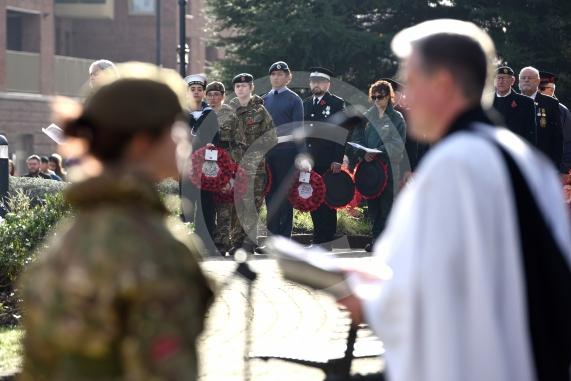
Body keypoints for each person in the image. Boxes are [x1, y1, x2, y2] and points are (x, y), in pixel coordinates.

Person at [338, 19, 571, 381]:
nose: (406, 97)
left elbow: (420, 292)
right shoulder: (527, 162)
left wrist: (363, 297)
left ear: (443, 83)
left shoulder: (453, 164)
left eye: (411, 81)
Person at [19, 63, 214, 380]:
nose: (184, 140)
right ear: (140, 143)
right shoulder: (155, 247)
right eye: (174, 128)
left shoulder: (71, 235)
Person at [350, 80, 406, 252]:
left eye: (380, 97)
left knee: (387, 207)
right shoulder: (366, 117)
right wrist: (363, 153)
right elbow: (356, 138)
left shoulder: (397, 118)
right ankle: (376, 240)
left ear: (389, 97)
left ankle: (387, 243)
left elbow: (398, 144)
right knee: (373, 208)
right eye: (373, 97)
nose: (376, 101)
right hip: (369, 169)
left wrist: (378, 151)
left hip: (388, 168)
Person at [228, 73, 277, 254]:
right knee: (237, 203)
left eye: (244, 86)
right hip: (234, 165)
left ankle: (250, 242)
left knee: (254, 204)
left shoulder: (260, 111)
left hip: (255, 166)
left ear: (251, 88)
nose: (241, 89)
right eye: (238, 87)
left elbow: (271, 137)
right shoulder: (228, 110)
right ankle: (236, 242)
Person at [261, 61, 304, 244]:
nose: (277, 77)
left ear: (288, 77)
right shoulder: (263, 100)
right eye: (274, 74)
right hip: (268, 155)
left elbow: (298, 130)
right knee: (270, 197)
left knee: (285, 197)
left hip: (287, 154)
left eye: (281, 74)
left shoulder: (294, 99)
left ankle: (285, 241)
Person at [303, 67, 345, 250]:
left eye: (320, 81)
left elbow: (341, 133)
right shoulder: (305, 104)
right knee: (313, 198)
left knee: (327, 200)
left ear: (328, 84)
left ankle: (327, 239)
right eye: (313, 81)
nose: (316, 84)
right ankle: (318, 237)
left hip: (328, 159)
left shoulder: (336, 103)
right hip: (310, 160)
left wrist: (337, 158)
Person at [205, 81, 247, 253]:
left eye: (217, 94)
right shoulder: (203, 114)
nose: (213, 98)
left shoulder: (231, 115)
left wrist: (230, 166)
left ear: (223, 96)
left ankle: (223, 242)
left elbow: (240, 142)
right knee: (207, 203)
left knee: (224, 204)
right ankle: (208, 239)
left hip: (225, 164)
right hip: (205, 164)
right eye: (210, 94)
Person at [181, 74, 220, 255]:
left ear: (204, 93)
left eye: (199, 90)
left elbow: (217, 138)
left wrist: (212, 146)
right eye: (192, 90)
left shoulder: (210, 114)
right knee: (186, 204)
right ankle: (186, 244)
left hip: (207, 167)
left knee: (206, 205)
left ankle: (206, 244)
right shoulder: (181, 114)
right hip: (186, 167)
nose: (196, 93)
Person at [518, 66, 563, 170]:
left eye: (530, 78)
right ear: (518, 81)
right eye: (523, 78)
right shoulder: (512, 102)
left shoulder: (550, 103)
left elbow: (557, 137)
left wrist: (556, 166)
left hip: (543, 162)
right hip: (519, 161)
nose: (526, 80)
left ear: (538, 81)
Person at [492, 66, 536, 144]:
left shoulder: (526, 103)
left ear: (512, 81)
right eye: (498, 78)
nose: (501, 81)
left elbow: (531, 134)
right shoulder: (485, 102)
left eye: (504, 78)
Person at [539, 71, 571, 173]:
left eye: (542, 88)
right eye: (538, 88)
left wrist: (564, 170)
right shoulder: (525, 105)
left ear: (552, 90)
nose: (539, 91)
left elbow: (568, 142)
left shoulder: (561, 111)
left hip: (553, 168)